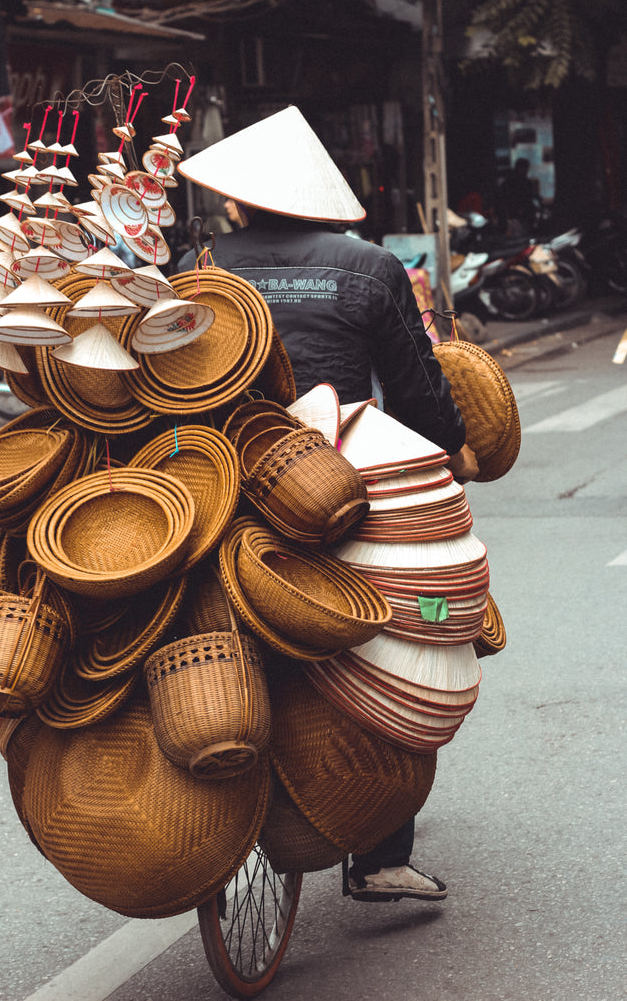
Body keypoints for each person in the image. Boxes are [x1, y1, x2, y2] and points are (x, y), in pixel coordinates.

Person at [177, 106, 478, 904]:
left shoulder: (197, 262)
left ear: (238, 200)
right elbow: (418, 393)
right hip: (341, 488)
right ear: (319, 195)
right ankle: (380, 857)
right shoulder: (371, 266)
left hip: (217, 487)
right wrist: (453, 447)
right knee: (397, 637)